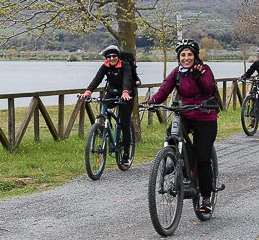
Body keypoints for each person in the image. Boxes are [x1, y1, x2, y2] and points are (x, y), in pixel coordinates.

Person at [142, 39, 220, 214]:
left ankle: (206, 198)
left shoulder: (204, 70)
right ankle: (176, 160)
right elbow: (164, 89)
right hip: (185, 113)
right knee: (172, 134)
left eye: (189, 54)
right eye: (183, 55)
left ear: (195, 56)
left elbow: (208, 90)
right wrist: (152, 101)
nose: (186, 58)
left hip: (205, 115)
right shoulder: (177, 72)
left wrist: (197, 78)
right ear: (179, 57)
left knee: (202, 157)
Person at [78, 45, 136, 169]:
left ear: (118, 57)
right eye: (108, 57)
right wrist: (88, 91)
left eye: (114, 56)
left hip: (127, 95)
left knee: (124, 123)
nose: (111, 58)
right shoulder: (105, 66)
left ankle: (126, 154)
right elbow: (97, 79)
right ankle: (102, 130)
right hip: (112, 92)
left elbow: (127, 79)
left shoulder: (125, 65)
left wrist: (125, 92)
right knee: (103, 108)